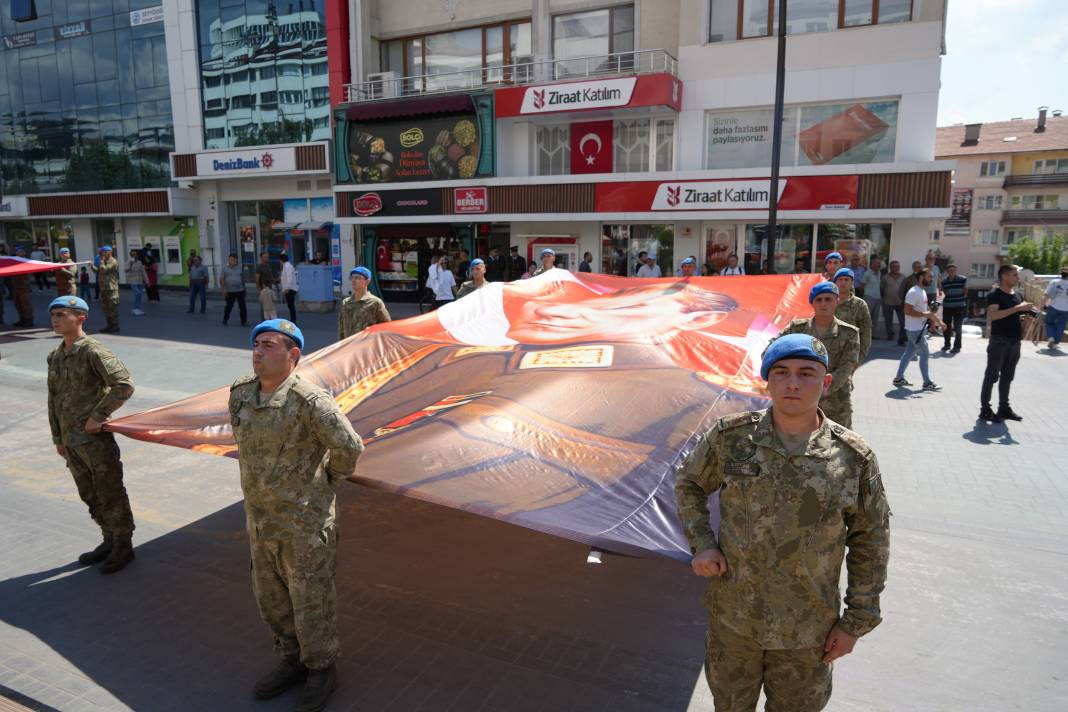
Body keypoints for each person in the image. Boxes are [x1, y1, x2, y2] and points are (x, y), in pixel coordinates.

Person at [674, 333, 890, 712]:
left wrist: (855, 622)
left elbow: (871, 543)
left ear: (826, 383)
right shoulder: (731, 437)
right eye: (782, 372)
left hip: (807, 634)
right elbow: (689, 483)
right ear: (766, 380)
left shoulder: (853, 458)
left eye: (807, 373)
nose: (793, 383)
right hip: (734, 623)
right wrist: (702, 542)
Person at [230, 319, 363, 711]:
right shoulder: (239, 394)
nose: (258, 351)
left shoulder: (310, 401)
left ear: (293, 355)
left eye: (269, 345)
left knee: (311, 599)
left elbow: (349, 448)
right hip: (260, 520)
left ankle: (322, 669)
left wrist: (324, 486)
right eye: (256, 343)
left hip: (303, 525)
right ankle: (293, 659)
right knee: (271, 598)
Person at [46, 295, 137, 574]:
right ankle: (107, 538)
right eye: (54, 315)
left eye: (62, 314)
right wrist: (58, 438)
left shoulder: (93, 351)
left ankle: (123, 544)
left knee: (109, 491)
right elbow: (53, 399)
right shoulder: (56, 355)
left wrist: (98, 415)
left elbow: (124, 385)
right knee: (88, 493)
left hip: (94, 441)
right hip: (71, 441)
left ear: (80, 318)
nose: (56, 319)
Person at [778, 282, 861, 427]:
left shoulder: (850, 333)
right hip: (799, 402)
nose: (823, 303)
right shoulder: (796, 328)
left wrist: (821, 389)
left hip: (835, 404)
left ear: (837, 301)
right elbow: (771, 351)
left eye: (828, 299)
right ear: (812, 303)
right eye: (819, 299)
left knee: (838, 446)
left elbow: (847, 366)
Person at [980, 264, 1035, 422]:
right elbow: (993, 315)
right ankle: (985, 409)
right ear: (1004, 276)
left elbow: (1015, 316)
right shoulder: (995, 294)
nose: (1017, 277)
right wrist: (1017, 309)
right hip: (999, 341)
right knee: (991, 376)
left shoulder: (1017, 295)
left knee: (1008, 377)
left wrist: (1026, 319)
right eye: (1014, 275)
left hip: (1015, 341)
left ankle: (1004, 408)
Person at [893, 267, 944, 391]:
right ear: (921, 277)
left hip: (917, 329)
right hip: (915, 331)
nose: (931, 279)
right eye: (929, 276)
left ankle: (898, 378)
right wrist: (926, 315)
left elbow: (927, 312)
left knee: (909, 353)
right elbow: (907, 311)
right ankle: (927, 383)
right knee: (925, 354)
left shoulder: (922, 291)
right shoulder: (914, 292)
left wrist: (939, 322)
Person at [338, 266, 391, 340]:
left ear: (367, 281)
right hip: (349, 346)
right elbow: (341, 328)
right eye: (352, 277)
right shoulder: (346, 302)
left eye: (357, 278)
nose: (353, 280)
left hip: (367, 347)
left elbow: (386, 326)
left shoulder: (375, 302)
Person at [834, 268, 873, 361]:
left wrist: (861, 356)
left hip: (849, 354)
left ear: (852, 282)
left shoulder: (860, 304)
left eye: (846, 279)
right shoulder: (827, 301)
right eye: (840, 279)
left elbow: (866, 332)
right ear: (835, 282)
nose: (843, 282)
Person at [91, 246, 121, 333]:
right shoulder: (104, 261)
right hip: (103, 288)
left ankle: (115, 326)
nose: (102, 254)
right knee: (106, 308)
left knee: (112, 308)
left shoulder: (113, 261)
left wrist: (101, 261)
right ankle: (109, 325)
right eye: (101, 252)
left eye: (104, 252)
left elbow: (104, 270)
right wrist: (92, 266)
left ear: (109, 252)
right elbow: (98, 272)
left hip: (111, 288)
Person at [940, 264, 967, 353]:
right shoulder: (944, 281)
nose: (952, 272)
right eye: (950, 270)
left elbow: (965, 291)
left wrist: (960, 300)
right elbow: (943, 292)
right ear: (947, 272)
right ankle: (947, 345)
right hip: (947, 306)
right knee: (946, 327)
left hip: (959, 306)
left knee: (958, 327)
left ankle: (957, 347)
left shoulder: (963, 279)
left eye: (954, 270)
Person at [1042, 265, 1068, 350]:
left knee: (1049, 322)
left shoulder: (1054, 282)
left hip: (1054, 306)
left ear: (1061, 274)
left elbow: (1047, 294)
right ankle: (1055, 342)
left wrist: (1044, 304)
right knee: (1061, 325)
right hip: (1066, 309)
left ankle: (1051, 338)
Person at [880, 260, 906, 343]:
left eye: (898, 266)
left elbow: (906, 289)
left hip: (900, 303)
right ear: (890, 268)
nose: (896, 268)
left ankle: (903, 336)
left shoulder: (903, 277)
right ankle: (890, 335)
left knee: (902, 321)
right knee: (888, 321)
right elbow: (882, 290)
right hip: (888, 302)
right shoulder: (885, 277)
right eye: (894, 266)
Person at [220, 253, 248, 326]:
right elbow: (222, 280)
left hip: (240, 290)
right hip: (230, 291)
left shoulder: (239, 268)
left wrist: (244, 288)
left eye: (235, 259)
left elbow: (242, 278)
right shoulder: (224, 269)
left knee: (242, 306)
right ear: (229, 260)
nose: (234, 261)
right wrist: (224, 289)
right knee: (229, 306)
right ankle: (225, 319)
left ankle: (243, 321)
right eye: (232, 259)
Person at [11, 246, 35, 327]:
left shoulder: (26, 261)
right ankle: (22, 319)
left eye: (21, 251)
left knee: (26, 304)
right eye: (17, 251)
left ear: (24, 252)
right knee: (18, 304)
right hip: (16, 286)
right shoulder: (14, 261)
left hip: (24, 287)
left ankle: (29, 320)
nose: (19, 253)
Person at [862, 257, 883, 338]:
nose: (879, 265)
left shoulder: (880, 273)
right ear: (872, 264)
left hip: (878, 298)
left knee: (875, 318)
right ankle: (864, 335)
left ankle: (872, 335)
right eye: (877, 264)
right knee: (867, 317)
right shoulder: (867, 273)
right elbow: (862, 286)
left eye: (879, 264)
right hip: (869, 298)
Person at [125, 249, 147, 316]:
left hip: (139, 280)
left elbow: (143, 272)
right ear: (131, 255)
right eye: (133, 254)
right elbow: (125, 270)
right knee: (137, 293)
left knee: (139, 294)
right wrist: (131, 264)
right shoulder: (129, 261)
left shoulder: (139, 262)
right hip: (132, 280)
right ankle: (135, 308)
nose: (134, 255)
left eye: (135, 254)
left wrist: (146, 280)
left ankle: (138, 309)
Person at [255, 252, 276, 321]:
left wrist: (275, 283)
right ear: (261, 258)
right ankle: (264, 320)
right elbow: (257, 278)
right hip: (262, 287)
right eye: (265, 257)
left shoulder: (268, 266)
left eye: (267, 257)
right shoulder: (259, 267)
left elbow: (271, 276)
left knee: (271, 305)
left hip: (269, 287)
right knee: (264, 306)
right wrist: (258, 289)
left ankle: (270, 319)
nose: (266, 258)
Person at [279, 253, 298, 324]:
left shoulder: (287, 266)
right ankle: (293, 320)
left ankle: (293, 321)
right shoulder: (287, 266)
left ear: (281, 260)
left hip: (290, 289)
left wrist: (287, 288)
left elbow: (289, 277)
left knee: (291, 305)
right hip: (290, 288)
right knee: (290, 305)